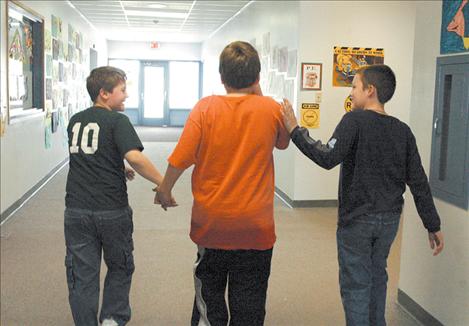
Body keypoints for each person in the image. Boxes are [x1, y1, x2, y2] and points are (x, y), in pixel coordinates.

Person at [280, 64, 444, 326]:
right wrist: (432, 224)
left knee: (356, 284)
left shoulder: (353, 121)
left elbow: (327, 157)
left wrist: (295, 130)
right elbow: (418, 181)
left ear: (370, 90)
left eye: (354, 86)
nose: (351, 92)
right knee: (378, 277)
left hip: (357, 221)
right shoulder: (402, 130)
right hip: (389, 221)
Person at [155, 41, 290, 325]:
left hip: (212, 225)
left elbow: (181, 158)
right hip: (256, 228)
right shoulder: (272, 110)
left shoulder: (205, 108)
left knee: (210, 299)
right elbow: (283, 143)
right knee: (250, 304)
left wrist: (165, 189)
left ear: (221, 76)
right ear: (257, 77)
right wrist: (260, 93)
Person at [64, 66, 174, 326]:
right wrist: (164, 183)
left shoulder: (75, 120)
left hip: (76, 211)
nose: (126, 96)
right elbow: (135, 157)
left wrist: (117, 166)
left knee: (82, 274)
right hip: (111, 211)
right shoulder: (117, 121)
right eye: (122, 91)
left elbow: (88, 154)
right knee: (120, 266)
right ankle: (112, 319)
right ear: (104, 93)